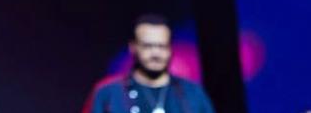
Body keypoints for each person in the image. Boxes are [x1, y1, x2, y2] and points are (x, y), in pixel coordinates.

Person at [83, 15, 217, 113]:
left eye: (162, 46)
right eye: (148, 46)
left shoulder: (192, 92)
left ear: (170, 48)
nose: (155, 53)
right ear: (133, 47)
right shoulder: (108, 93)